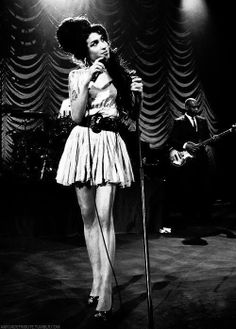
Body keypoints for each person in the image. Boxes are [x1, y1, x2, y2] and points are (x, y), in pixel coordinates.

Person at [55, 16, 143, 321]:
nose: (102, 45)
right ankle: (95, 279)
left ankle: (106, 288)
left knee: (106, 217)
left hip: (108, 143)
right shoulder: (76, 75)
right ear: (86, 50)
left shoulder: (119, 74)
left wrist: (138, 93)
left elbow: (132, 113)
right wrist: (88, 78)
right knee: (88, 218)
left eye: (103, 40)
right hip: (82, 143)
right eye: (94, 43)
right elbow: (77, 117)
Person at [167, 97, 215, 244]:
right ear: (186, 107)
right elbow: (172, 140)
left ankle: (201, 217)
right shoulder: (179, 121)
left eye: (196, 107)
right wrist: (185, 145)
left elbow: (206, 137)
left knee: (202, 187)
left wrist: (208, 142)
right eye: (193, 107)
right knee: (188, 189)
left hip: (201, 160)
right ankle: (187, 218)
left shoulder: (202, 121)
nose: (196, 109)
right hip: (187, 161)